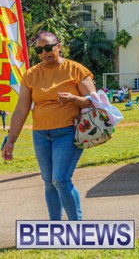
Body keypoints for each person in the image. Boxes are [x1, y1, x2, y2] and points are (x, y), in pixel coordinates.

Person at [1, 31, 96, 220]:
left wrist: (74, 99)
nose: (44, 53)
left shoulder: (76, 70)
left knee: (60, 179)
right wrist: (11, 140)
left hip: (68, 132)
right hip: (41, 135)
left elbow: (94, 101)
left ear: (58, 46)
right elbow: (21, 110)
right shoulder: (31, 75)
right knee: (49, 183)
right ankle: (55, 226)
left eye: (48, 48)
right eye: (39, 50)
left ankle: (76, 226)